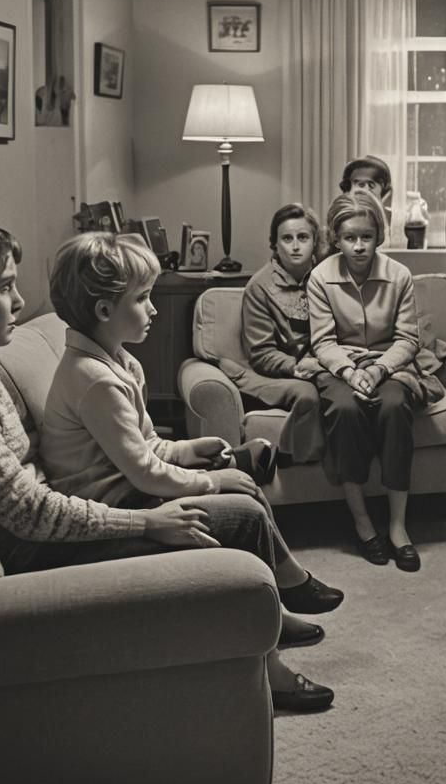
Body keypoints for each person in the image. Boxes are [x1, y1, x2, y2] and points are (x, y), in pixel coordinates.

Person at [36, 230, 342, 710]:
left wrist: (190, 449)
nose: (154, 309)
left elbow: (148, 446)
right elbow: (143, 474)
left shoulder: (117, 362)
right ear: (104, 311)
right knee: (240, 506)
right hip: (111, 512)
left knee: (241, 485)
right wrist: (212, 480)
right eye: (142, 299)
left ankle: (279, 600)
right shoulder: (92, 379)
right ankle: (274, 664)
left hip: (130, 491)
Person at [308, 190, 442, 573]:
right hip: (342, 366)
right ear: (336, 238)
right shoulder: (321, 277)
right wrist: (351, 372)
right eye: (350, 237)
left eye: (366, 236)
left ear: (378, 236)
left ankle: (398, 527)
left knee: (395, 406)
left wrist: (379, 370)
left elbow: (407, 339)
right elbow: (322, 341)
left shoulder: (399, 275)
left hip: (389, 365)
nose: (359, 246)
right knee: (346, 408)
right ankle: (363, 523)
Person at [234, 203, 327, 467]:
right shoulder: (260, 286)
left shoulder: (328, 276)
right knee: (309, 395)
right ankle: (290, 460)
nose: (296, 246)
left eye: (303, 237)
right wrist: (296, 366)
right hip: (278, 373)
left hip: (324, 363)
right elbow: (261, 353)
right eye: (287, 238)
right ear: (275, 244)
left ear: (315, 241)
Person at [339, 155, 393, 225]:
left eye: (371, 185)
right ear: (348, 188)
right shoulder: (340, 217)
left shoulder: (394, 220)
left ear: (384, 190)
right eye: (361, 185)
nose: (366, 190)